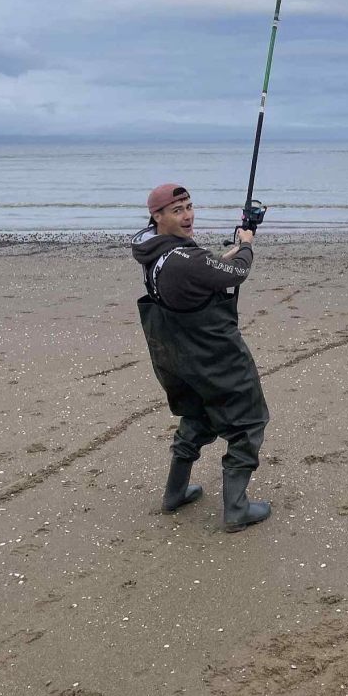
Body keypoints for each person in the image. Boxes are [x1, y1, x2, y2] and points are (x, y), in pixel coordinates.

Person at [131, 182, 270, 533]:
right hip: (211, 353)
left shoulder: (155, 250)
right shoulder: (186, 260)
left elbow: (202, 270)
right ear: (157, 216)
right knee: (248, 421)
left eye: (189, 206)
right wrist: (247, 245)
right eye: (177, 210)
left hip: (174, 354)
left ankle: (174, 493)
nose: (188, 215)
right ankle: (236, 509)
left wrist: (228, 251)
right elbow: (237, 272)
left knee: (198, 414)